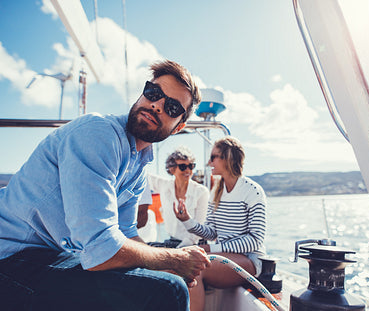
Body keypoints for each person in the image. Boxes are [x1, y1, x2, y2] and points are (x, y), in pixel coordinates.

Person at [0, 59, 211, 310]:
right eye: (153, 93)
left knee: (167, 280)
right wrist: (171, 258)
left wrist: (168, 266)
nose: (156, 105)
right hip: (11, 259)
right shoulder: (98, 134)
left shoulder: (138, 166)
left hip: (48, 256)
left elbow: (126, 234)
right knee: (169, 290)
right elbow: (102, 250)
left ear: (179, 127)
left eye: (173, 107)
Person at [173, 136, 267, 311]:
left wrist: (212, 249)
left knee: (194, 268)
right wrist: (186, 220)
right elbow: (212, 232)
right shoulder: (217, 191)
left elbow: (255, 240)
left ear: (228, 158)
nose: (209, 162)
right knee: (179, 263)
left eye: (213, 157)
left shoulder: (252, 191)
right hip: (225, 256)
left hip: (251, 260)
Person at [148, 146, 210, 248]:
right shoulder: (164, 185)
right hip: (172, 242)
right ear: (172, 169)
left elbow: (199, 229)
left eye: (191, 166)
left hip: (195, 244)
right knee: (146, 250)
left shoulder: (201, 192)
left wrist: (178, 251)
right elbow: (144, 177)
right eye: (182, 167)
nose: (188, 170)